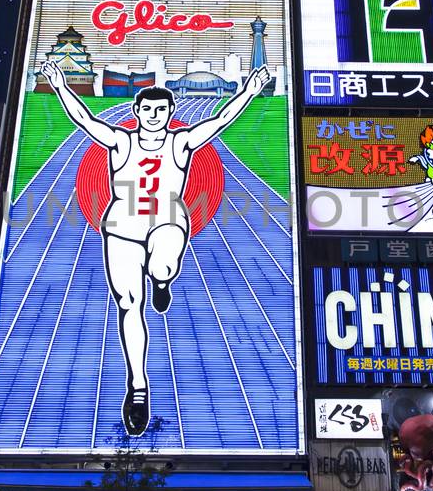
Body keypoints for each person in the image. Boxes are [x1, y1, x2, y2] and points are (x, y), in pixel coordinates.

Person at [39, 58, 272, 435]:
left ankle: (162, 281)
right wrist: (61, 85)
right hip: (123, 225)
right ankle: (138, 387)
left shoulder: (181, 143)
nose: (153, 115)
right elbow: (84, 120)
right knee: (129, 304)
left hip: (167, 218)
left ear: (169, 113)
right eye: (147, 108)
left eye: (160, 110)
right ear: (136, 111)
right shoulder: (120, 141)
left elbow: (220, 120)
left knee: (163, 265)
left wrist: (248, 90)